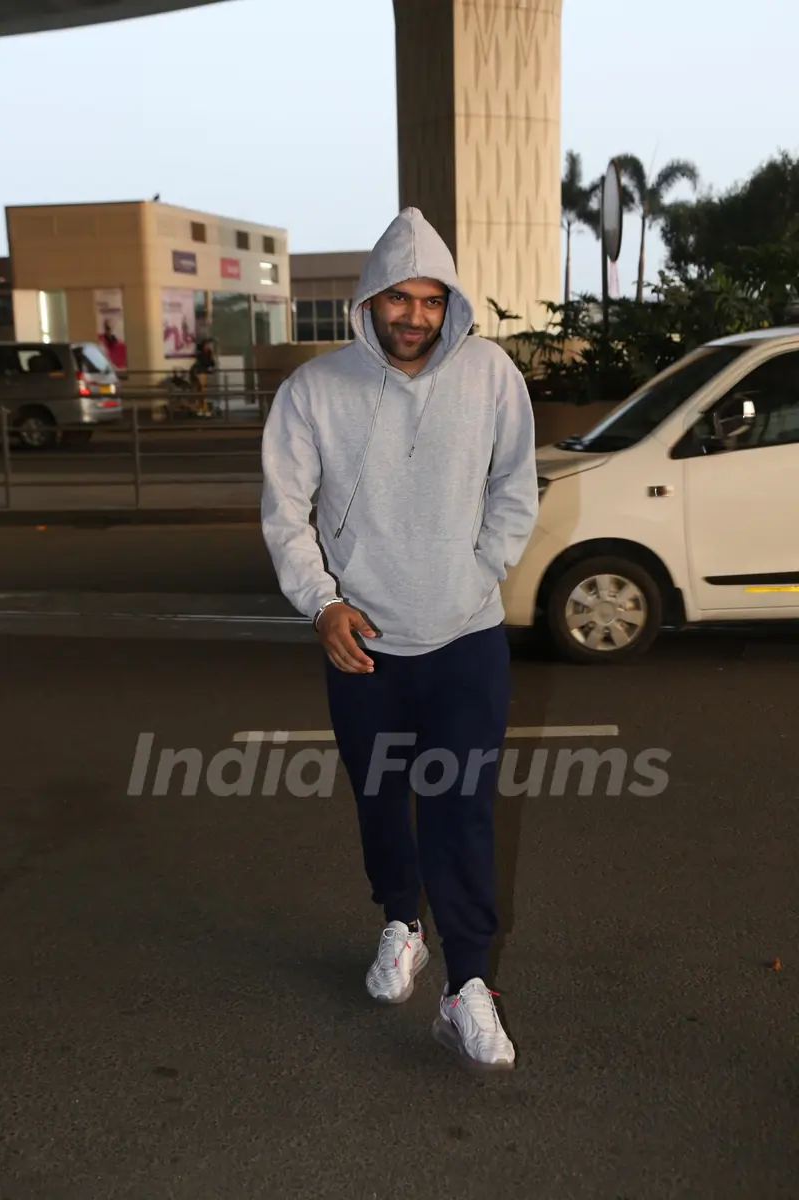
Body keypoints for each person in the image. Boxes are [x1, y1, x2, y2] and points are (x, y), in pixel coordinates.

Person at [261, 207, 538, 1071]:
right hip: (365, 647)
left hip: (465, 642)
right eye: (399, 299)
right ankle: (398, 925)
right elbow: (285, 514)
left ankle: (467, 986)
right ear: (369, 300)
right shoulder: (314, 391)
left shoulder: (491, 375)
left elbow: (515, 488)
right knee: (382, 801)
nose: (414, 316)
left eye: (430, 299)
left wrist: (476, 572)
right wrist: (322, 605)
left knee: (459, 811)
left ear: (447, 303)